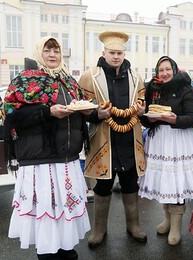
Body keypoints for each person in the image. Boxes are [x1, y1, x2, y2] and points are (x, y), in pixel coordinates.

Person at [3, 36, 91, 260]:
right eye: (47, 50)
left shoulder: (69, 81)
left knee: (64, 209)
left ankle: (66, 249)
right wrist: (47, 112)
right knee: (46, 210)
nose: (53, 54)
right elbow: (12, 115)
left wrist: (92, 112)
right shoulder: (24, 80)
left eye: (56, 50)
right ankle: (47, 254)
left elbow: (79, 109)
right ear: (38, 53)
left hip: (67, 158)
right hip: (39, 162)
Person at [78, 31, 147, 247]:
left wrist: (142, 110)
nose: (116, 56)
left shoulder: (136, 77)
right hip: (103, 140)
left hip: (129, 140)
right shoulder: (90, 76)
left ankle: (133, 225)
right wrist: (96, 115)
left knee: (130, 184)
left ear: (124, 54)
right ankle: (99, 230)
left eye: (119, 52)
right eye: (112, 52)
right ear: (104, 53)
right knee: (102, 186)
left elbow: (142, 105)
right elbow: (81, 108)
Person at [138, 56, 193, 246]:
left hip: (178, 139)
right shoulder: (153, 89)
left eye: (167, 69)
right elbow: (147, 118)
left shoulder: (185, 88)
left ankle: (177, 226)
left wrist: (174, 120)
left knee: (176, 181)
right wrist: (148, 119)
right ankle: (167, 219)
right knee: (165, 180)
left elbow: (192, 118)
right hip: (159, 141)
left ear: (174, 69)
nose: (164, 73)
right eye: (160, 70)